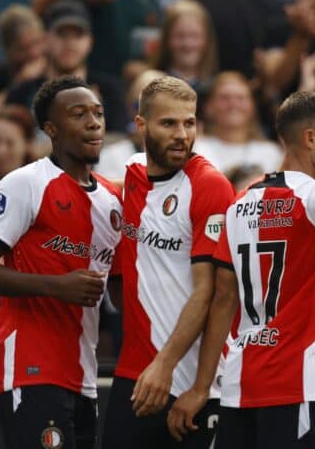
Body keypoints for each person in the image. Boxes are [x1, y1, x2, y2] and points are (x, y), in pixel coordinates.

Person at [167, 90, 315, 448]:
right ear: (310, 138)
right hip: (298, 388)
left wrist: (202, 387)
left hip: (238, 389)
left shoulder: (241, 201)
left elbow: (222, 299)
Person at [0, 76, 123, 449]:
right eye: (78, 114)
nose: (93, 122)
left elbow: (118, 285)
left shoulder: (113, 200)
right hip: (29, 368)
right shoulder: (26, 183)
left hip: (84, 373)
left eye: (97, 113)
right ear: (51, 128)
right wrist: (55, 285)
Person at [101, 76, 234, 448]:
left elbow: (208, 293)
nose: (181, 134)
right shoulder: (131, 176)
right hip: (135, 374)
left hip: (193, 381)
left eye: (189, 123)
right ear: (141, 125)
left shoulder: (209, 185)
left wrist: (167, 366)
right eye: (169, 123)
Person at [6, 0, 128, 134]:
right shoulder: (22, 94)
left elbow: (121, 142)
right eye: (62, 34)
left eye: (78, 35)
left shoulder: (110, 91)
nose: (70, 43)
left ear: (90, 42)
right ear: (45, 39)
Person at [194, 71, 283, 177]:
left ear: (252, 106)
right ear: (208, 107)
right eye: (225, 98)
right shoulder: (197, 149)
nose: (233, 104)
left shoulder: (271, 153)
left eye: (240, 98)